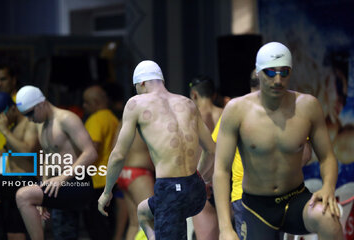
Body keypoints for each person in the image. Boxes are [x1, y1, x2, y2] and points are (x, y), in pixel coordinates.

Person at [213, 42, 343, 240]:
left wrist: (328, 187)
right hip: (257, 207)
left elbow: (327, 158)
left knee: (329, 220)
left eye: (284, 72)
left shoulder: (308, 107)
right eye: (270, 73)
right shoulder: (237, 111)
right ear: (258, 72)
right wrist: (225, 228)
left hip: (296, 199)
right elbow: (221, 170)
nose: (278, 80)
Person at [98, 60, 216, 240]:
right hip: (195, 192)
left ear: (142, 83)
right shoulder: (188, 103)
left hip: (169, 190)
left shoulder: (136, 103)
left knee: (165, 213)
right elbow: (211, 150)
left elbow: (119, 154)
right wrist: (201, 178)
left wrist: (107, 192)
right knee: (143, 212)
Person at [14, 85, 97, 240]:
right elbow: (48, 157)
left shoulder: (67, 119)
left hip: (78, 183)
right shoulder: (41, 125)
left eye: (30, 113)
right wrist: (43, 188)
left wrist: (62, 178)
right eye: (26, 116)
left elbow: (91, 153)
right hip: (57, 185)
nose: (29, 119)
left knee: (23, 196)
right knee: (63, 234)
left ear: (41, 103)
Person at [0, 92, 39, 240]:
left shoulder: (30, 123)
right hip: (12, 183)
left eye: (2, 115)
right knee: (13, 233)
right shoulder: (14, 127)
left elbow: (27, 152)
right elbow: (10, 153)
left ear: (13, 108)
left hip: (26, 181)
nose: (1, 120)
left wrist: (5, 131)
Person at [82, 85, 120, 240]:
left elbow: (93, 149)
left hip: (96, 180)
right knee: (109, 223)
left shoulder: (95, 119)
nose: (84, 106)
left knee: (97, 226)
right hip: (111, 178)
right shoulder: (113, 119)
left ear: (96, 102)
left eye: (86, 102)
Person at [189, 75, 222, 240]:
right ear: (214, 95)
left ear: (194, 95)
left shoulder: (192, 118)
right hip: (229, 185)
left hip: (204, 185)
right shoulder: (227, 114)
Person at [116, 128, 154, 240]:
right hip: (139, 174)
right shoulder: (148, 121)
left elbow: (115, 150)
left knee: (134, 223)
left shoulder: (123, 121)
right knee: (151, 220)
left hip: (123, 171)